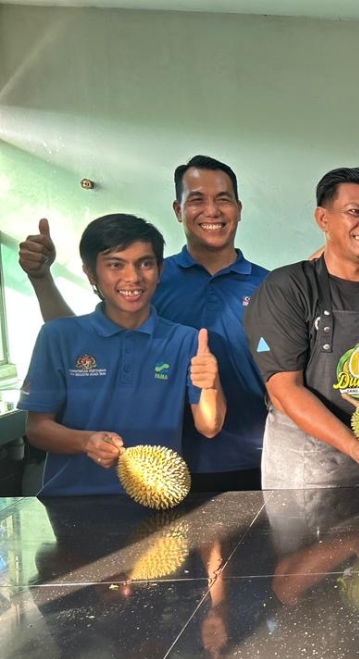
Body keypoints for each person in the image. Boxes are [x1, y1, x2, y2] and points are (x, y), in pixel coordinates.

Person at [18, 155, 268, 491]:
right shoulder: (146, 281)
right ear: (178, 210)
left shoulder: (272, 287)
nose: (212, 211)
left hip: (251, 457)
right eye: (196, 199)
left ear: (238, 208)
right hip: (166, 468)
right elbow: (77, 341)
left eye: (223, 199)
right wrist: (41, 278)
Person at [244, 167, 359, 489]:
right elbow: (284, 388)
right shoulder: (287, 287)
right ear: (323, 219)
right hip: (303, 468)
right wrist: (354, 447)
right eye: (354, 212)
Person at [17, 213, 225, 496]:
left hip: (156, 501)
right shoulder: (58, 336)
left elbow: (210, 426)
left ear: (160, 270)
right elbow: (38, 429)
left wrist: (210, 384)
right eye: (116, 265)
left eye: (145, 263)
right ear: (91, 273)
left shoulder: (186, 340)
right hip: (70, 501)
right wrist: (86, 441)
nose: (133, 277)